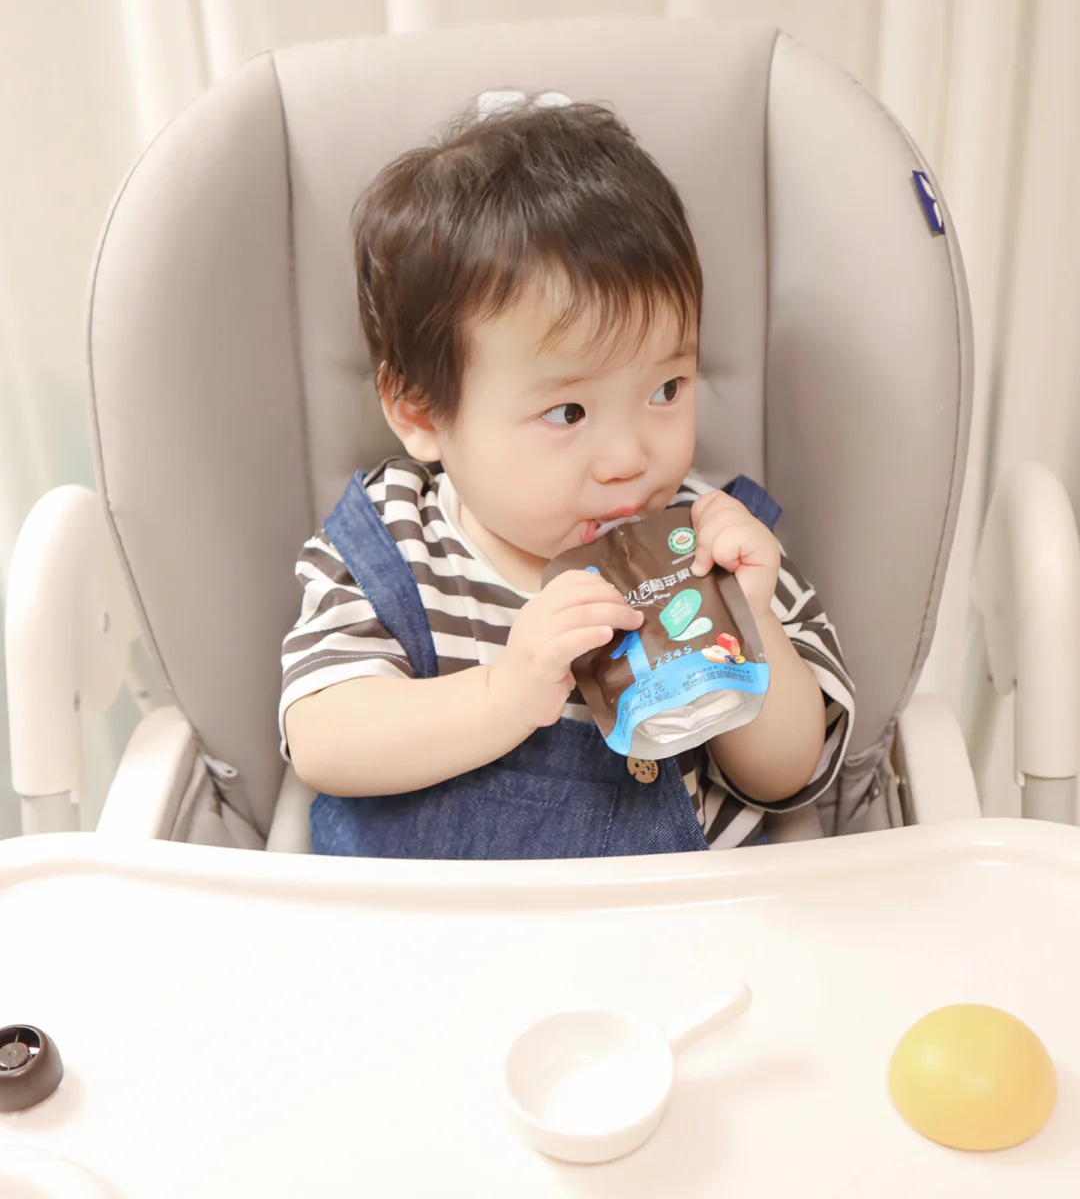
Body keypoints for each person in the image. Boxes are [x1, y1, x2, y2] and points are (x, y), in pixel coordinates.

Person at [279, 98, 853, 859]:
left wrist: (751, 627)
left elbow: (789, 776)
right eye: (569, 412)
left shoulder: (713, 547)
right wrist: (504, 696)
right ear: (421, 412)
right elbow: (323, 740)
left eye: (666, 389)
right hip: (437, 925)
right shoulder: (392, 547)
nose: (629, 459)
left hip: (679, 920)